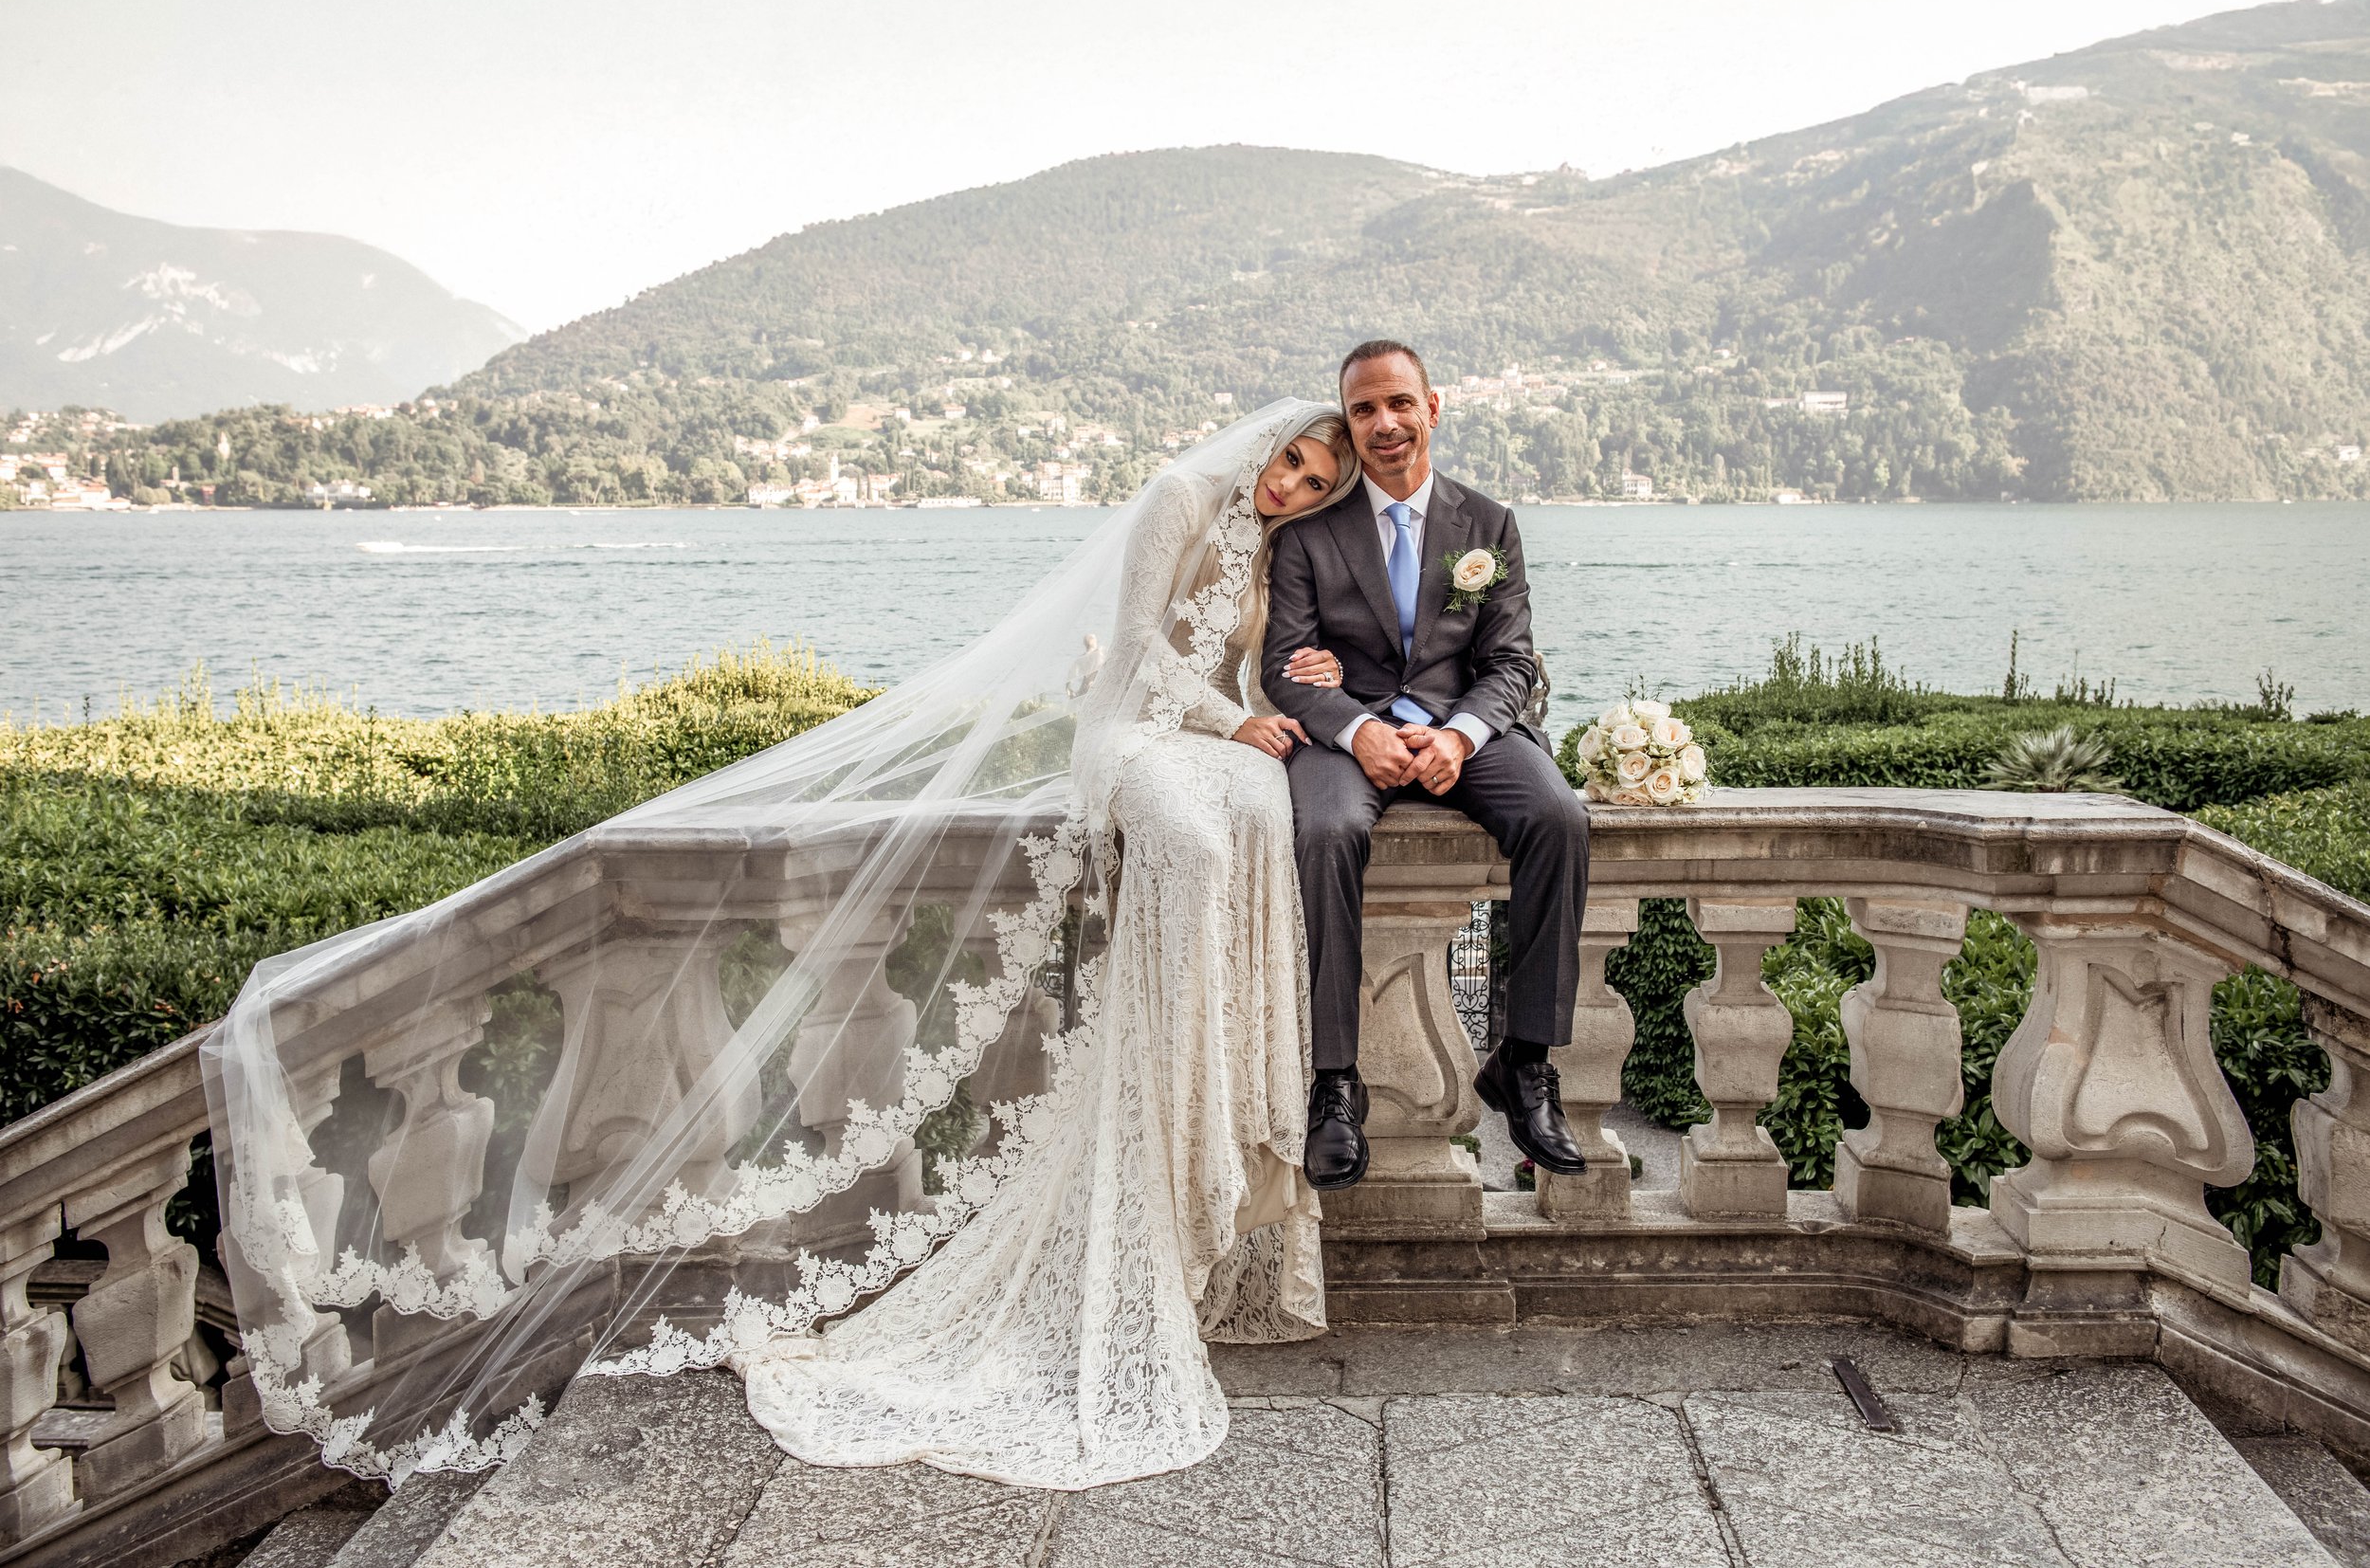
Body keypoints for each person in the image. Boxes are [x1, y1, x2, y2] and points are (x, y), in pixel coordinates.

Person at [202, 401, 1367, 1495]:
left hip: (1212, 733)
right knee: (1203, 836)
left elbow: (1247, 662)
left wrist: (1293, 686)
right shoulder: (1177, 494)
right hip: (1128, 736)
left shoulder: (1276, 542)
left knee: (1266, 813)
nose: (1293, 486)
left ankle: (1220, 1102)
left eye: (1316, 484)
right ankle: (1182, 1088)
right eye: (1292, 463)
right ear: (1264, 439)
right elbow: (1133, 660)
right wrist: (1230, 718)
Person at [1260, 340, 1594, 1191]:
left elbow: (1511, 664)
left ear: (1432, 408)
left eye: (1400, 404)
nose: (1385, 424)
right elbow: (1283, 666)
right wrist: (1357, 729)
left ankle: (1522, 1063)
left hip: (1464, 733)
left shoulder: (1489, 527)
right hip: (1350, 742)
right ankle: (1333, 1086)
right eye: (1365, 410)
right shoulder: (1307, 538)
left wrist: (1461, 737)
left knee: (1558, 817)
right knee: (1327, 829)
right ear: (1351, 421)